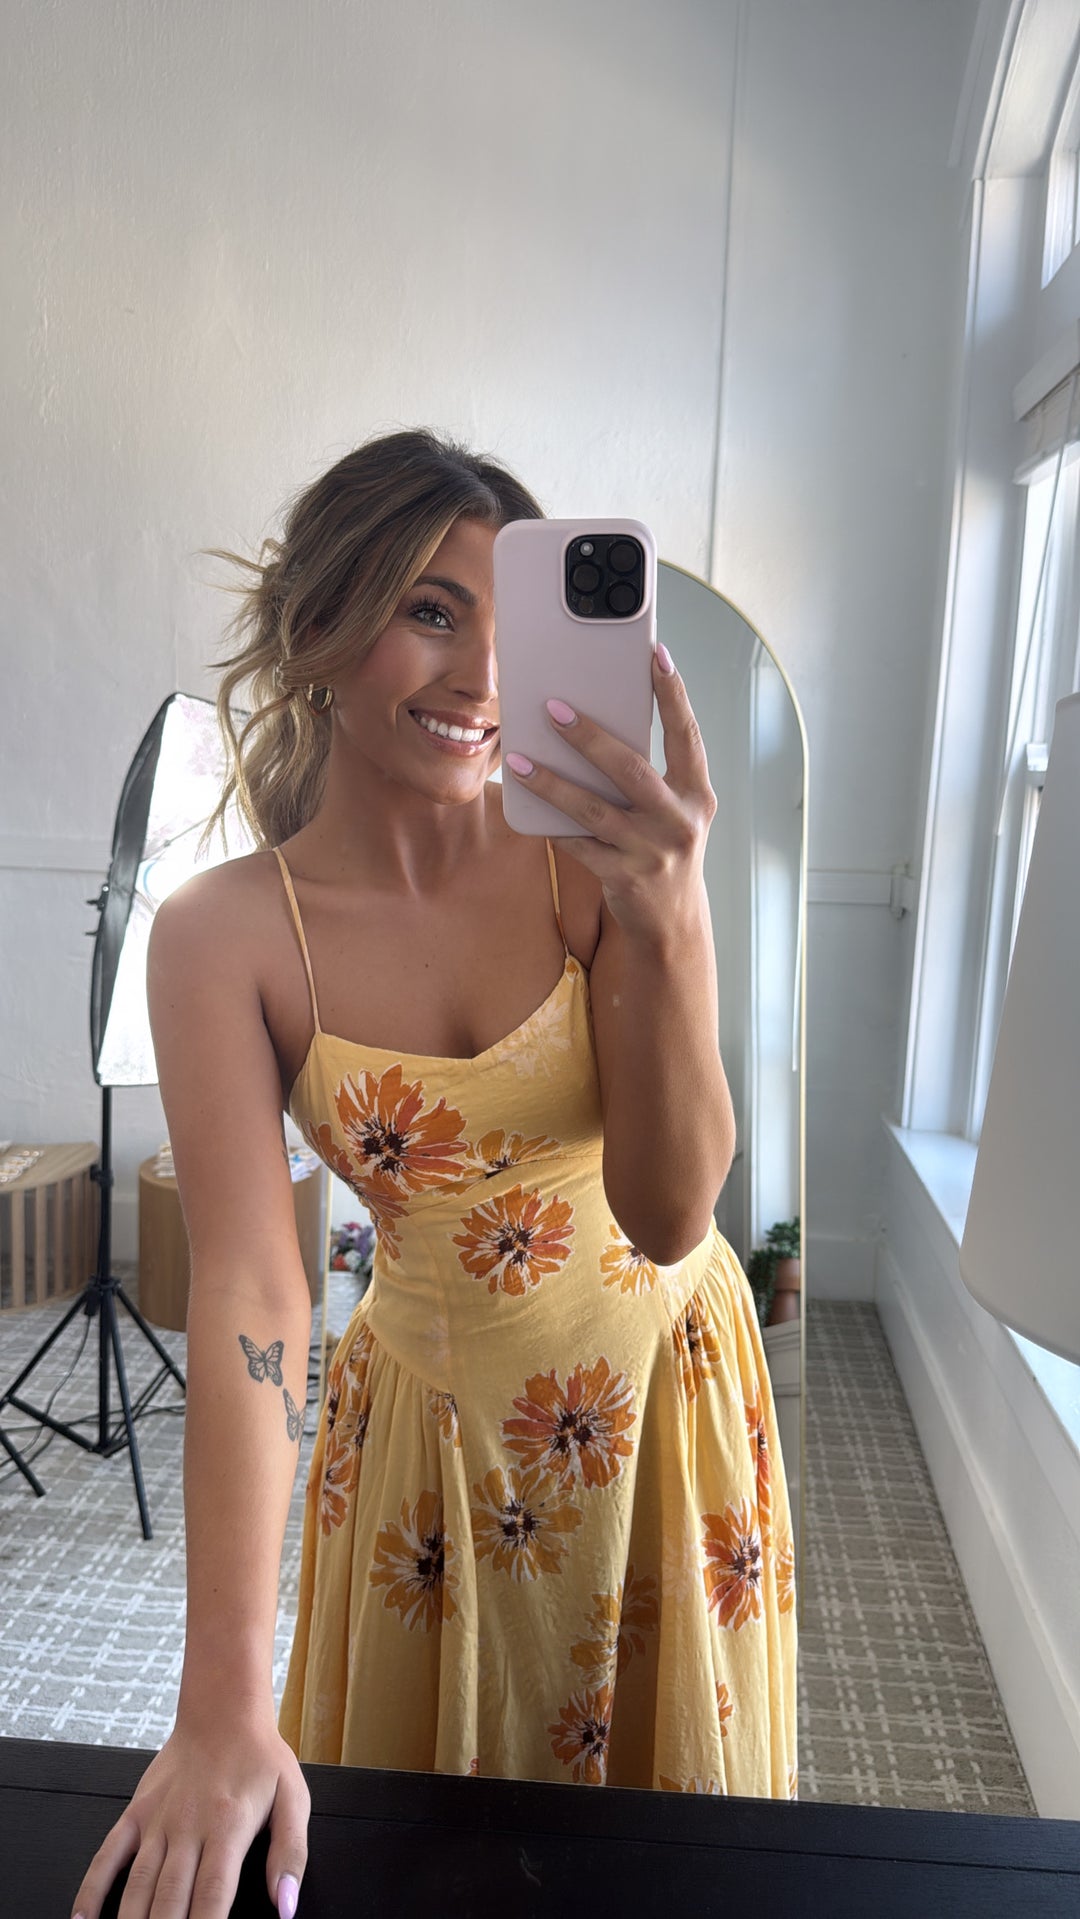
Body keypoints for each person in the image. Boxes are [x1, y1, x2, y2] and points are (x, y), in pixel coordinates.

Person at [72, 430, 797, 1919]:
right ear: (321, 626)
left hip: (660, 1398)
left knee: (664, 1856)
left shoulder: (595, 866)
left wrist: (670, 916)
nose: (480, 675)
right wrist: (220, 1702)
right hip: (426, 1444)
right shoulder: (224, 936)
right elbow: (251, 1284)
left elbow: (673, 1214)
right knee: (419, 1856)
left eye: (509, 622)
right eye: (429, 610)